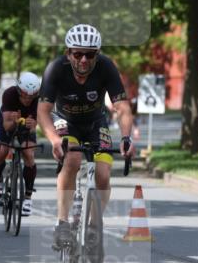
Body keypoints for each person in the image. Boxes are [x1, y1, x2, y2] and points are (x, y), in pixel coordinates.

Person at [38, 24, 135, 246]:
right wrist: (54, 140)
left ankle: (93, 227)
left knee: (103, 174)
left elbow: (122, 108)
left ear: (97, 54)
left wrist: (127, 137)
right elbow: (42, 111)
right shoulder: (56, 69)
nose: (83, 60)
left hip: (95, 122)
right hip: (65, 122)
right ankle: (62, 223)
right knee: (72, 160)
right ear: (68, 53)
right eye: (78, 53)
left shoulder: (106, 66)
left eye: (90, 54)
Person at [0, 72, 41, 216]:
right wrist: (13, 121)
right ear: (19, 91)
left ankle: (27, 198)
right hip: (9, 121)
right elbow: (7, 126)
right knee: (1, 151)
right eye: (25, 95)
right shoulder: (9, 94)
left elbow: (40, 121)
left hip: (26, 125)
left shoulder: (40, 99)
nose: (28, 100)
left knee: (29, 154)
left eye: (32, 97)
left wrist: (34, 124)